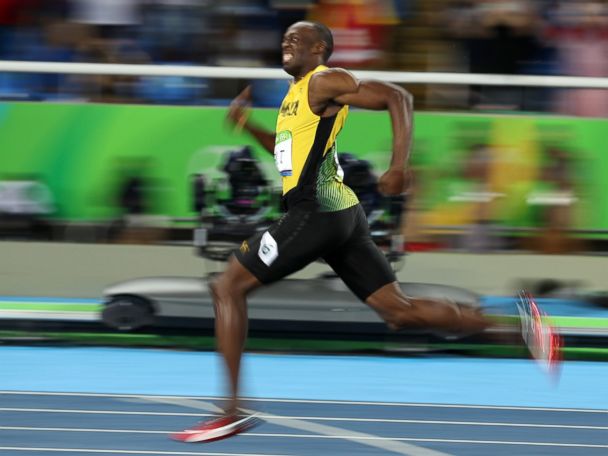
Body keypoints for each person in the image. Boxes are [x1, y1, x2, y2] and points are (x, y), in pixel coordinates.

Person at [171, 21, 559, 444]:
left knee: (227, 288)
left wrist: (399, 166)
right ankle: (519, 328)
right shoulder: (294, 99)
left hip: (316, 212)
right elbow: (288, 156)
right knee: (400, 312)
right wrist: (246, 124)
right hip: (340, 213)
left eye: (297, 38)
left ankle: (231, 412)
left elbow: (398, 96)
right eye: (284, 37)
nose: (286, 42)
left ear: (320, 48)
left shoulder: (325, 81)